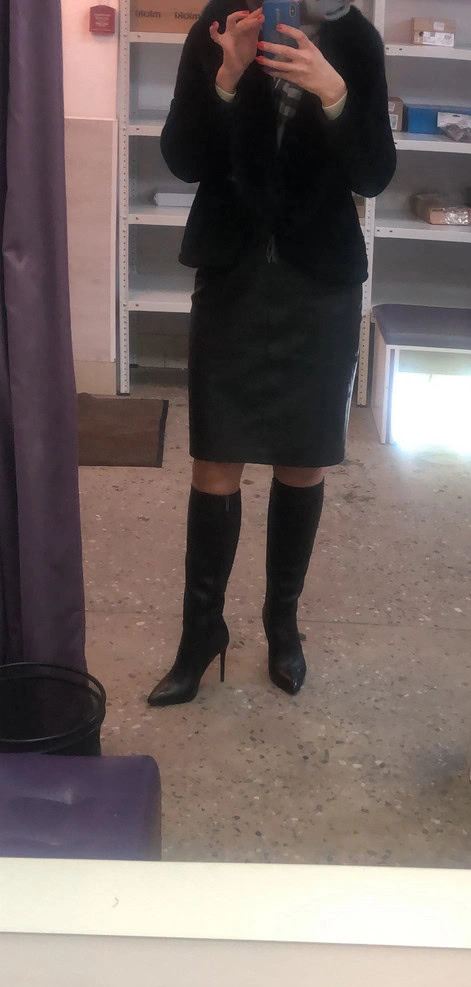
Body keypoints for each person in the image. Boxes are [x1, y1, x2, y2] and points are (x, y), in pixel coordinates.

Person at [147, 0, 396, 707]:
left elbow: (374, 174)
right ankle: (201, 633)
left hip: (319, 283)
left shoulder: (356, 42)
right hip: (232, 276)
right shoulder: (221, 23)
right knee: (215, 460)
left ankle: (281, 625)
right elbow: (183, 158)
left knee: (302, 459)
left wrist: (334, 92)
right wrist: (226, 77)